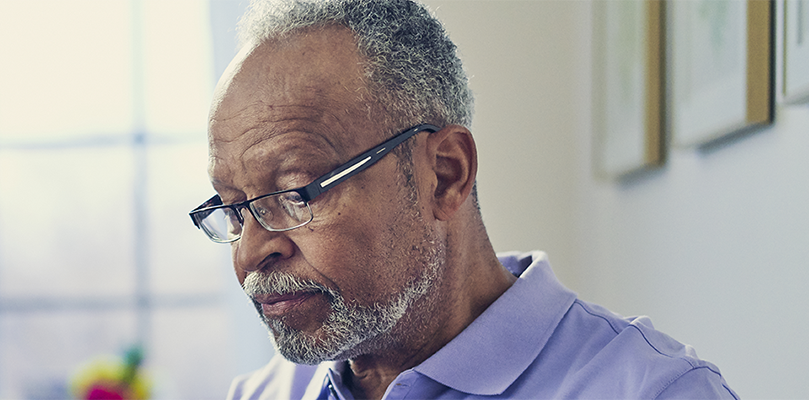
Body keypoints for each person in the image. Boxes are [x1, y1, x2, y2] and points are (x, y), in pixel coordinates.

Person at [190, 1, 737, 399]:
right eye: (234, 208)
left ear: (445, 175)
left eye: (293, 193)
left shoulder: (650, 392)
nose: (249, 253)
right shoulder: (260, 394)